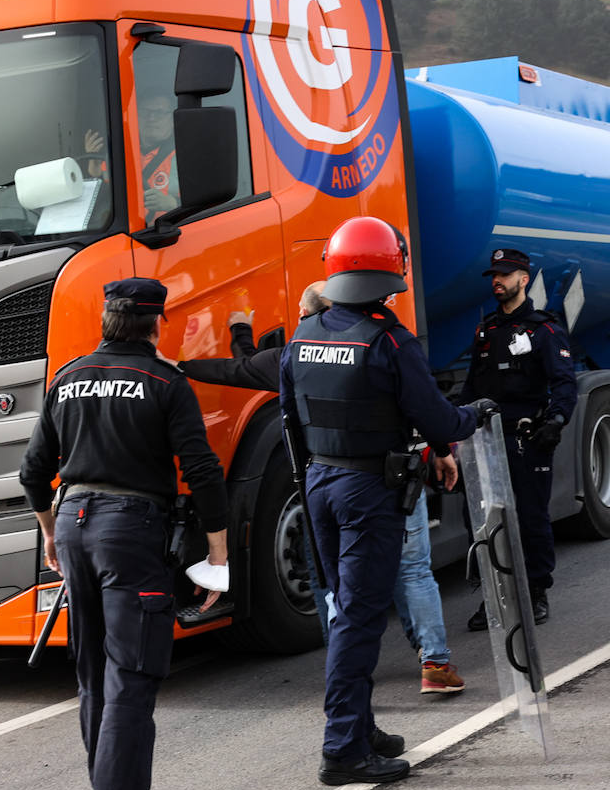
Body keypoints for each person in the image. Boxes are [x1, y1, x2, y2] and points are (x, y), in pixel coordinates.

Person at [280, 217, 489, 786]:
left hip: (319, 484)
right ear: (387, 270)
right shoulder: (388, 339)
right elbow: (439, 416)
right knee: (361, 618)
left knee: (340, 608)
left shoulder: (304, 335)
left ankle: (360, 726)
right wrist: (475, 414)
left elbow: (290, 421)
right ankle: (343, 749)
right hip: (368, 492)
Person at [182, 285, 466, 695]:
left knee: (336, 584)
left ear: (309, 313)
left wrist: (181, 364)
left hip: (325, 484)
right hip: (393, 480)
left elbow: (240, 369)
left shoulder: (298, 350)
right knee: (412, 569)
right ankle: (435, 663)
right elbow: (422, 407)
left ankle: (347, 670)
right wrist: (445, 445)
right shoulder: (380, 343)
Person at [19, 278, 230, 790]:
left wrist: (49, 532)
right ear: (155, 323)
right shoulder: (165, 382)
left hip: (72, 523)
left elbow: (33, 472)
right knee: (132, 673)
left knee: (92, 671)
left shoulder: (67, 378)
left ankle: (112, 786)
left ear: (107, 321)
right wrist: (218, 552)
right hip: (130, 531)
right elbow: (201, 469)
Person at [460, 247, 578, 628]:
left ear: (523, 279)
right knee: (484, 521)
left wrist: (556, 421)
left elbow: (564, 382)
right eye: (494, 274)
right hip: (487, 440)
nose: (497, 280)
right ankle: (495, 596)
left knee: (530, 518)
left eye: (505, 274)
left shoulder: (543, 329)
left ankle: (536, 592)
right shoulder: (486, 330)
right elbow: (471, 386)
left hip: (527, 439)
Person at [85, 93, 179, 225]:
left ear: (172, 120)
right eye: (145, 112)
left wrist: (173, 203)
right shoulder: (120, 151)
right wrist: (94, 168)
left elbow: (204, 205)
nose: (151, 118)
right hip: (123, 230)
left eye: (159, 112)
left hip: (170, 233)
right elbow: (106, 191)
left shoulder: (183, 155)